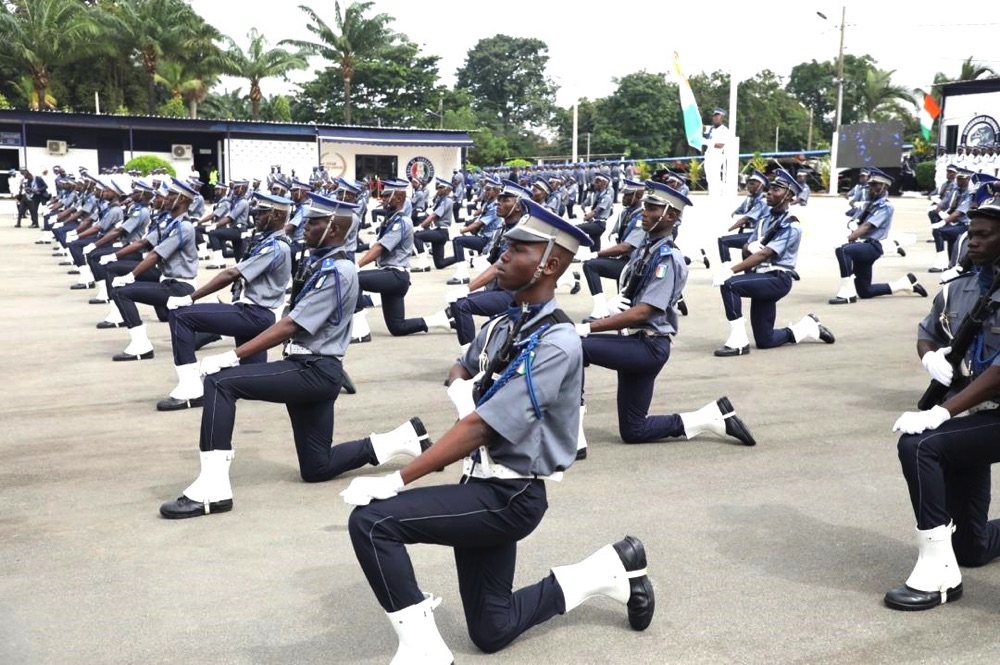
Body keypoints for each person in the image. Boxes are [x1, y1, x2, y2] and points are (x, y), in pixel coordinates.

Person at [341, 199, 655, 663]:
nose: (503, 255)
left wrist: (397, 479)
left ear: (549, 263)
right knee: (492, 631)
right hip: (480, 483)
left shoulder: (557, 341)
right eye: (506, 246)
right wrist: (459, 389)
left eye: (518, 249)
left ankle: (424, 650)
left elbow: (483, 427)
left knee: (373, 523)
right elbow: (460, 364)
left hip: (512, 495)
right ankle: (609, 569)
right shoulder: (504, 324)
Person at [158, 193, 430, 519]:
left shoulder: (339, 271)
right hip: (314, 367)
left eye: (313, 222)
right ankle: (400, 439)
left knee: (221, 382)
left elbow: (291, 324)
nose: (305, 226)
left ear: (332, 228)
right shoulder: (321, 262)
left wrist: (232, 355)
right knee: (317, 467)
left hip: (312, 370)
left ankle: (212, 488)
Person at [575, 180, 755, 446]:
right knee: (634, 430)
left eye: (651, 207)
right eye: (645, 206)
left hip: (648, 346)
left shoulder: (667, 258)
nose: (643, 212)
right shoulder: (646, 250)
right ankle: (711, 417)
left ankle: (572, 433)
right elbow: (633, 296)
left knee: (575, 346)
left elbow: (643, 313)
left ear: (670, 215)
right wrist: (616, 303)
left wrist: (591, 327)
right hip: (636, 342)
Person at [884, 203, 1000, 611]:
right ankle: (956, 555)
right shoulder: (959, 287)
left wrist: (941, 412)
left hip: (984, 406)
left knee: (920, 445)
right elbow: (928, 330)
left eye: (986, 233)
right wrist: (929, 356)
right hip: (979, 411)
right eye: (973, 232)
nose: (975, 240)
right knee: (972, 549)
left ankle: (938, 575)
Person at [156, 192, 294, 411]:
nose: (255, 215)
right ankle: (312, 375)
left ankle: (190, 389)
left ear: (276, 215)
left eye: (261, 213)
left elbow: (231, 274)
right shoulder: (268, 241)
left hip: (255, 314)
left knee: (181, 315)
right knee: (256, 380)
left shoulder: (276, 246)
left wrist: (190, 298)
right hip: (255, 312)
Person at [711, 169, 835, 356]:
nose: (770, 192)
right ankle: (807, 327)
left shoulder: (792, 225)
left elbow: (765, 254)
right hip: (761, 277)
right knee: (765, 340)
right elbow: (748, 247)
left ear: (788, 196)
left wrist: (731, 269)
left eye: (776, 189)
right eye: (771, 189)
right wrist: (748, 248)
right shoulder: (764, 220)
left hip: (777, 278)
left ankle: (738, 342)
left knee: (730, 286)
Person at [106, 178, 200, 361]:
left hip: (179, 286)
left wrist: (131, 276)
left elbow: (155, 255)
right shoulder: (173, 224)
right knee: (177, 329)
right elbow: (145, 243)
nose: (165, 198)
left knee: (121, 292)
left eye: (171, 195)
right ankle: (211, 332)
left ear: (182, 200)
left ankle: (141, 345)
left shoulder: (184, 227)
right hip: (168, 280)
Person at [351, 179, 453, 341]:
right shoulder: (392, 219)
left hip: (395, 275)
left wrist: (357, 265)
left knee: (354, 279)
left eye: (386, 196)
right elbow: (377, 244)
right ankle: (439, 320)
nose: (383, 199)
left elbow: (380, 247)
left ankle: (360, 330)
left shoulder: (402, 222)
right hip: (393, 277)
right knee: (397, 327)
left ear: (398, 199)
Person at [828, 168, 928, 304]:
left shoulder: (885, 206)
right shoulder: (869, 204)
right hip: (863, 246)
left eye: (875, 185)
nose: (871, 188)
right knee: (865, 291)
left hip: (872, 246)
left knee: (843, 250)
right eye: (870, 185)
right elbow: (856, 221)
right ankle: (905, 284)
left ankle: (847, 294)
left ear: (884, 187)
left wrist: (847, 239)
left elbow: (867, 226)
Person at [580, 178, 646, 321]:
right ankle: (606, 311)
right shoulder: (625, 213)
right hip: (623, 261)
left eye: (628, 195)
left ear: (638, 196)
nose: (623, 198)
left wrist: (595, 253)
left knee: (590, 265)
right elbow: (617, 235)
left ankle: (601, 310)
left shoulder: (642, 218)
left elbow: (626, 247)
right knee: (622, 305)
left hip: (633, 264)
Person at [717, 170, 769, 264]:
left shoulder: (763, 201)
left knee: (723, 241)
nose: (749, 186)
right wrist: (738, 216)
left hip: (755, 234)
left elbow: (746, 218)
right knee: (747, 263)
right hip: (745, 232)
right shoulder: (749, 199)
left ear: (761, 186)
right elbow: (736, 212)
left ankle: (727, 268)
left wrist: (728, 229)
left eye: (753, 184)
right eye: (749, 184)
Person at [930, 168, 973, 272]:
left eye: (961, 179)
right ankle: (951, 265)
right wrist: (941, 213)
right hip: (954, 222)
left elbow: (959, 212)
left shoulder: (970, 194)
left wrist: (943, 222)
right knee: (950, 239)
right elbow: (941, 205)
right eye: (958, 178)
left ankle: (941, 263)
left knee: (938, 232)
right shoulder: (955, 190)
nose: (958, 181)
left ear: (968, 179)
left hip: (965, 224)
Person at [412, 179, 454, 271]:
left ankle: (423, 264)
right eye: (438, 188)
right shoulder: (440, 200)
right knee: (440, 264)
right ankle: (461, 256)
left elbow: (434, 216)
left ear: (447, 189)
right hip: (437, 231)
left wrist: (420, 227)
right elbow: (429, 213)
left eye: (441, 188)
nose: (438, 189)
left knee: (416, 235)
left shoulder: (447, 201)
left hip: (441, 232)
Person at [578, 171, 613, 250]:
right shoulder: (595, 195)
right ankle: (596, 257)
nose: (594, 183)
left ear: (604, 184)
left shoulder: (606, 197)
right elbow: (584, 204)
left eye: (597, 182)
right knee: (595, 246)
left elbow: (596, 211)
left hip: (599, 224)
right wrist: (585, 211)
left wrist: (586, 217)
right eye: (595, 181)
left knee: (576, 229)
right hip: (593, 222)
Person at [702, 108, 730, 197]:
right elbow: (702, 127)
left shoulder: (724, 130)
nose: (715, 118)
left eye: (717, 116)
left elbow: (720, 145)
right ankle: (712, 194)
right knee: (709, 176)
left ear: (722, 118)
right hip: (709, 154)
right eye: (714, 116)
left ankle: (719, 194)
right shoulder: (711, 128)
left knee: (714, 176)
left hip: (717, 155)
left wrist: (706, 142)